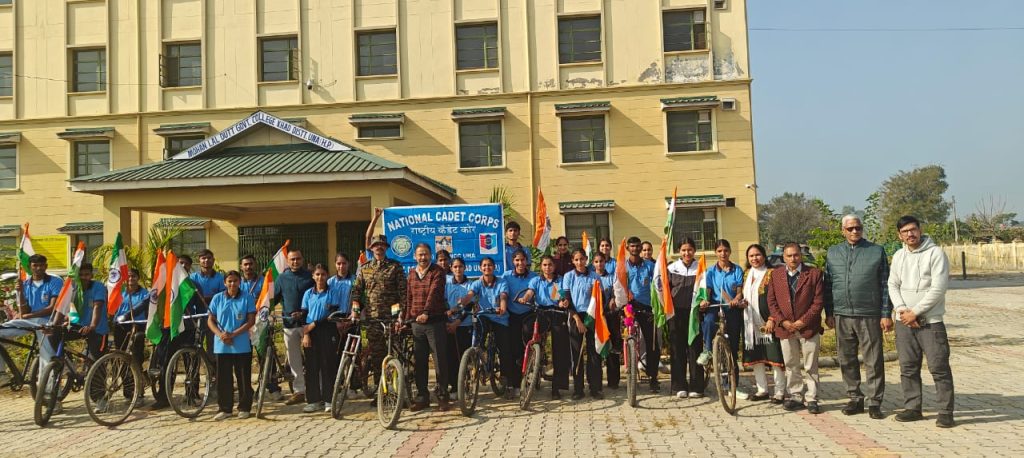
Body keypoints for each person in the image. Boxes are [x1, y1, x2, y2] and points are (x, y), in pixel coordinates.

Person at [888, 215, 954, 428]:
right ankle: (913, 408)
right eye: (905, 231)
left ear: (920, 230)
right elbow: (892, 285)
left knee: (939, 367)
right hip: (904, 323)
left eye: (913, 229)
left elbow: (938, 288)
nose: (910, 234)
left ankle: (945, 412)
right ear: (899, 235)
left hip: (930, 322)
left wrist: (915, 312)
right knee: (908, 367)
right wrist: (902, 310)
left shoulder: (936, 253)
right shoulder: (899, 256)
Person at [824, 215, 892, 419]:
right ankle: (855, 398)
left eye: (858, 228)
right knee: (846, 359)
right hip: (842, 314)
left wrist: (886, 313)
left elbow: (885, 284)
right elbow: (828, 284)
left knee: (873, 360)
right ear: (842, 231)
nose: (855, 231)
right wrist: (829, 312)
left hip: (869, 314)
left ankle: (874, 402)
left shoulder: (876, 251)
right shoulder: (833, 252)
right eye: (850, 228)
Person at [766, 242, 826, 414]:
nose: (793, 258)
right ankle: (795, 395)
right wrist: (783, 321)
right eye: (789, 256)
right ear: (783, 257)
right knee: (791, 364)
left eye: (796, 255)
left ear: (801, 255)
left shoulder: (814, 274)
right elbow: (772, 301)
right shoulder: (776, 274)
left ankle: (812, 398)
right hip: (785, 328)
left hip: (808, 327)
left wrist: (802, 321)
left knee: (810, 365)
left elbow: (818, 302)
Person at [351, 235, 407, 399]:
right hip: (373, 319)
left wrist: (399, 316)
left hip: (391, 319)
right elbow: (356, 292)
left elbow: (402, 293)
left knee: (395, 355)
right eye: (376, 245)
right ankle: (381, 393)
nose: (379, 248)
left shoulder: (395, 267)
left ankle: (398, 392)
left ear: (386, 247)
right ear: (371, 248)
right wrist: (355, 310)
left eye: (382, 245)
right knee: (377, 358)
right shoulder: (365, 268)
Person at [4, 254, 61, 388]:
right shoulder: (25, 284)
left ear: (46, 266)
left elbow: (52, 308)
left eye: (41, 265)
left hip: (47, 322)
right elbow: (24, 311)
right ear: (30, 267)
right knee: (1, 331)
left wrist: (27, 316)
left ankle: (49, 392)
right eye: (35, 265)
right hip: (29, 321)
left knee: (46, 357)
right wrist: (20, 293)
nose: (38, 268)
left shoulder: (55, 281)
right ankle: (2, 374)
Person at [405, 244, 451, 411]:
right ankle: (422, 397)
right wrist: (406, 319)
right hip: (417, 324)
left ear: (430, 255)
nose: (422, 258)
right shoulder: (411, 274)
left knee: (439, 360)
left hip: (434, 322)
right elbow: (408, 297)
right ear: (415, 257)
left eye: (425, 254)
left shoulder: (438, 271)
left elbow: (434, 293)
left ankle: (443, 396)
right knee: (420, 361)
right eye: (420, 255)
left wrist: (426, 312)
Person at [207, 271, 256, 420]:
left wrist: (233, 334)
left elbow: (251, 321)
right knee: (223, 379)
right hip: (222, 345)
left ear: (240, 282)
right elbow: (210, 320)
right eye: (229, 281)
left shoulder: (247, 297)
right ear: (224, 283)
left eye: (235, 281)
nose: (232, 284)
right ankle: (225, 409)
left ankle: (244, 407)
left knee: (243, 377)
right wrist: (220, 335)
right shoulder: (217, 298)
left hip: (241, 344)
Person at [740, 244, 786, 403]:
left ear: (764, 256)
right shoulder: (746, 274)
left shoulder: (772, 273)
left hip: (769, 323)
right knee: (757, 357)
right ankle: (762, 390)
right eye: (751, 256)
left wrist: (772, 319)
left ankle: (779, 392)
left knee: (775, 358)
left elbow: (779, 299)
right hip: (750, 324)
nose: (754, 258)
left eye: (757, 255)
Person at [523, 255, 570, 399]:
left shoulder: (559, 280)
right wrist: (525, 298)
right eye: (544, 265)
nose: (547, 267)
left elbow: (561, 296)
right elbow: (530, 292)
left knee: (560, 349)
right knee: (527, 328)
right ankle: (532, 354)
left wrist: (563, 302)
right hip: (541, 312)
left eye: (550, 265)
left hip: (556, 312)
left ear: (554, 266)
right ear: (541, 266)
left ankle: (557, 387)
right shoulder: (536, 280)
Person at [272, 248, 314, 406]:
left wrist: (304, 314)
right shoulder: (282, 278)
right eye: (292, 259)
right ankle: (299, 391)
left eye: (298, 259)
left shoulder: (310, 277)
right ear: (288, 261)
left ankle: (315, 389)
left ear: (302, 259)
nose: (295, 262)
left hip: (308, 324)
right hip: (289, 324)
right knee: (294, 360)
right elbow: (274, 299)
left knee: (312, 358)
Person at [464, 257, 510, 396]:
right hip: (484, 315)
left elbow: (503, 296)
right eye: (484, 265)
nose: (487, 267)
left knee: (504, 348)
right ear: (480, 268)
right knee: (479, 332)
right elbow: (470, 295)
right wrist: (460, 304)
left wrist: (502, 307)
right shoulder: (477, 283)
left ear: (494, 267)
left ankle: (505, 377)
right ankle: (480, 354)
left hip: (499, 318)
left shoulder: (501, 282)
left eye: (489, 265)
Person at [665, 238, 705, 399]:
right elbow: (665, 290)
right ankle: (679, 385)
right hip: (676, 314)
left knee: (695, 349)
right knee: (677, 349)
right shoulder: (671, 268)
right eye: (683, 250)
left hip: (694, 314)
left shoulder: (701, 268)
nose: (686, 253)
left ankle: (697, 386)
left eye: (689, 250)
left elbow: (705, 289)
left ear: (694, 251)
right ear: (679, 251)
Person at [561, 249, 602, 400]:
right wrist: (577, 320)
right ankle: (578, 389)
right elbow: (567, 300)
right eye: (576, 260)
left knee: (594, 353)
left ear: (586, 259)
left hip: (591, 315)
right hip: (575, 316)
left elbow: (599, 299)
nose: (580, 262)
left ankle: (595, 387)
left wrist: (589, 319)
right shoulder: (568, 276)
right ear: (573, 261)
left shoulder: (595, 276)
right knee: (576, 354)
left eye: (582, 259)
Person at [698, 239, 744, 373]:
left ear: (730, 252)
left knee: (733, 343)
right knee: (708, 321)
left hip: (731, 307)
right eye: (719, 251)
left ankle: (732, 375)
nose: (723, 253)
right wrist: (705, 301)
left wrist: (735, 300)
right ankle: (707, 350)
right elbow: (708, 291)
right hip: (715, 305)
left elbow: (739, 292)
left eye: (725, 250)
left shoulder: (737, 270)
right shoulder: (710, 271)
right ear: (715, 252)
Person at [300, 264, 341, 414]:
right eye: (317, 274)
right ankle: (314, 401)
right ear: (313, 276)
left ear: (327, 275)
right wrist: (306, 333)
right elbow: (304, 315)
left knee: (327, 365)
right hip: (310, 333)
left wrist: (314, 324)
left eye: (323, 274)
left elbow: (332, 315)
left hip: (328, 331)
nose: (320, 277)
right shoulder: (308, 293)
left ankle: (329, 400)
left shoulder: (333, 292)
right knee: (311, 367)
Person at [624, 236, 660, 393]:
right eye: (632, 246)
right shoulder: (623, 266)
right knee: (626, 337)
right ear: (627, 248)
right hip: (629, 307)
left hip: (647, 307)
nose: (635, 248)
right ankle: (629, 369)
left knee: (652, 343)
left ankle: (653, 377)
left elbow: (657, 285)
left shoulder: (650, 266)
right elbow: (618, 285)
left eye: (637, 246)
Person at [501, 249, 538, 399]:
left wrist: (526, 298)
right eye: (517, 260)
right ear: (513, 261)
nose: (520, 263)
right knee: (513, 350)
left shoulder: (534, 276)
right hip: (512, 316)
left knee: (527, 346)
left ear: (526, 261)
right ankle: (514, 384)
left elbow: (532, 291)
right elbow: (501, 292)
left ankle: (532, 369)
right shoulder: (506, 276)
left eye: (522, 260)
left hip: (528, 314)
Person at [112, 268, 149, 399]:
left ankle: (138, 389)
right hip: (120, 327)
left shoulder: (145, 293)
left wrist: (127, 316)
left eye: (133, 276)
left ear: (138, 278)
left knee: (136, 358)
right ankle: (129, 391)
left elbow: (143, 306)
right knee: (122, 357)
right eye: (128, 276)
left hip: (137, 326)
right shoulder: (120, 293)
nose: (130, 279)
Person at [66, 262, 109, 361]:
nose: (83, 277)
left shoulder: (98, 287)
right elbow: (71, 308)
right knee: (56, 335)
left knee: (94, 362)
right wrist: (67, 320)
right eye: (80, 275)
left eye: (86, 274)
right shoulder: (75, 288)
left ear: (91, 275)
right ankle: (66, 364)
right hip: (80, 327)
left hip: (97, 330)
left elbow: (97, 307)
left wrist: (92, 326)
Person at [444, 257, 473, 394]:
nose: (458, 269)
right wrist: (448, 321)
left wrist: (457, 322)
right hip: (448, 325)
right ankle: (454, 386)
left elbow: (469, 306)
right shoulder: (446, 284)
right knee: (451, 357)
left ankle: (465, 385)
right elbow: (443, 302)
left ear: (465, 268)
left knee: (464, 356)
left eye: (460, 266)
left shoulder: (471, 285)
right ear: (451, 268)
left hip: (464, 324)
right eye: (455, 267)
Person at [590, 252, 618, 390]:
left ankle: (613, 381)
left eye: (601, 261)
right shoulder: (590, 277)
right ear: (593, 263)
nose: (599, 264)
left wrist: (613, 298)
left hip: (610, 315)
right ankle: (596, 382)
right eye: (596, 261)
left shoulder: (611, 277)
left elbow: (615, 292)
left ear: (605, 263)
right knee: (596, 347)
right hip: (596, 316)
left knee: (612, 347)